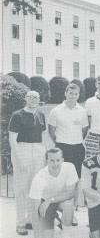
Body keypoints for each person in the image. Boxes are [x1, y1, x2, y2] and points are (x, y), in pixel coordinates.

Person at [48, 83, 89, 220]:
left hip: (77, 148)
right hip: (62, 148)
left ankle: (72, 212)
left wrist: (74, 140)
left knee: (75, 181)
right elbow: (51, 132)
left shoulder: (82, 111)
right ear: (65, 93)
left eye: (76, 94)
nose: (73, 96)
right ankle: (56, 209)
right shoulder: (56, 110)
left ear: (78, 95)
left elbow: (84, 131)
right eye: (71, 93)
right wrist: (61, 143)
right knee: (59, 179)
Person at [9, 90, 46, 235]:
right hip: (22, 149)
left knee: (35, 188)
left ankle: (30, 220)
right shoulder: (17, 115)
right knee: (21, 189)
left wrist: (44, 155)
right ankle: (20, 223)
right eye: (30, 97)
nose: (33, 99)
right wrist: (18, 160)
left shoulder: (41, 115)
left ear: (39, 99)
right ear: (25, 98)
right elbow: (12, 139)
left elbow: (41, 137)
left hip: (37, 150)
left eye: (36, 97)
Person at [29, 148, 78, 238]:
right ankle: (55, 221)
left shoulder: (70, 167)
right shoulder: (39, 177)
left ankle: (65, 234)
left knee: (69, 204)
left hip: (59, 201)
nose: (55, 164)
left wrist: (49, 200)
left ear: (62, 160)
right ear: (46, 161)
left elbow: (70, 193)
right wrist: (36, 235)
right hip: (45, 205)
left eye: (58, 160)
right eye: (52, 160)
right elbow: (34, 208)